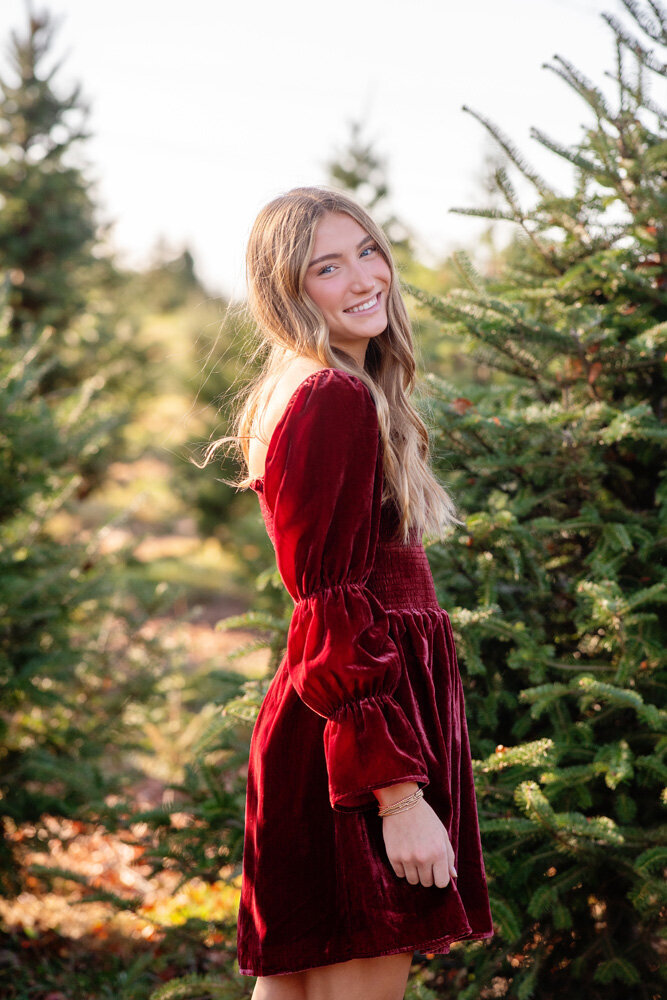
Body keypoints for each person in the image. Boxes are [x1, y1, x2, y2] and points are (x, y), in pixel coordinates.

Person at [217, 187, 493, 999]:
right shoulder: (331, 398)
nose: (363, 277)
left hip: (332, 731)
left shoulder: (325, 388)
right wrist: (399, 797)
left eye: (366, 250)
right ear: (288, 292)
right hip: (363, 752)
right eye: (326, 267)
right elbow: (330, 603)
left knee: (296, 991)